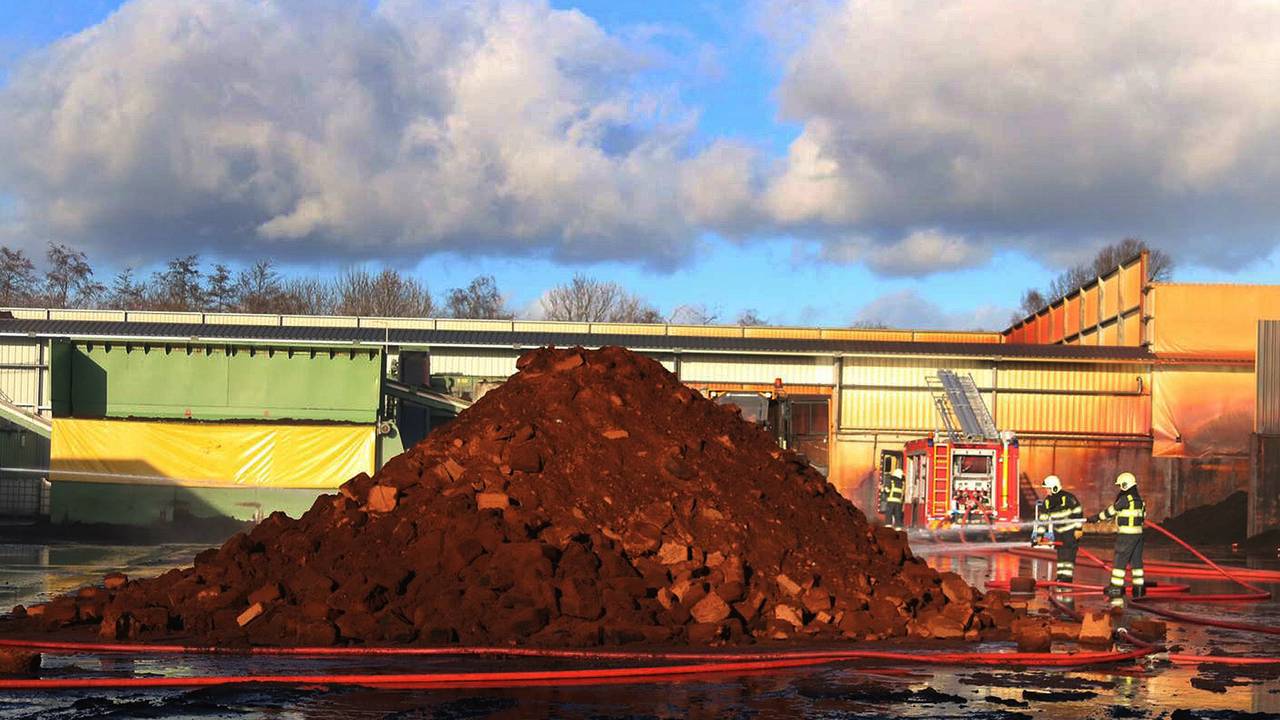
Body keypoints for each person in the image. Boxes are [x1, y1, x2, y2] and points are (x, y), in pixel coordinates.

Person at [1087, 471, 1146, 604]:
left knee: (1120, 560)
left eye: (1120, 486)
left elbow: (1111, 511)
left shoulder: (1126, 499)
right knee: (1136, 563)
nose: (1120, 489)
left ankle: (1115, 589)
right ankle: (1139, 589)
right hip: (1139, 535)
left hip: (1126, 535)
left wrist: (1095, 518)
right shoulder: (1139, 500)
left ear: (1125, 485)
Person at [1033, 475, 1085, 583]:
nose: (1046, 491)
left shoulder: (1068, 498)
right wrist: (1039, 535)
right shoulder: (1047, 501)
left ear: (1054, 488)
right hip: (1059, 532)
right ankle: (1061, 576)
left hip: (1071, 532)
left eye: (1047, 488)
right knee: (1061, 555)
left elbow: (1078, 513)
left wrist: (1078, 529)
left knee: (1069, 556)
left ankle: (1067, 578)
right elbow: (1043, 520)